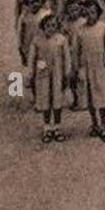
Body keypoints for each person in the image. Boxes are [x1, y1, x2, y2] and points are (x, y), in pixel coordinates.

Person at [75, 0, 105, 142]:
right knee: (90, 96)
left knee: (102, 96)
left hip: (100, 66)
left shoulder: (103, 27)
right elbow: (76, 51)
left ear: (98, 13)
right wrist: (77, 68)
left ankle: (104, 124)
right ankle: (94, 123)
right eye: (86, 13)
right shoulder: (80, 30)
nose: (90, 15)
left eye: (93, 12)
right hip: (86, 66)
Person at [28, 12, 71, 143]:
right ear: (43, 26)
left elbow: (67, 58)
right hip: (43, 73)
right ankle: (47, 127)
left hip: (58, 72)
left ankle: (57, 127)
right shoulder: (37, 40)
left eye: (53, 26)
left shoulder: (61, 39)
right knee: (45, 100)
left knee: (57, 100)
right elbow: (32, 58)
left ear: (57, 27)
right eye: (47, 26)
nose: (50, 28)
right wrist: (31, 72)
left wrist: (67, 73)